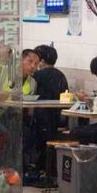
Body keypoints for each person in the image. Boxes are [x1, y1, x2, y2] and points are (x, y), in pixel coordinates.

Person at [28, 45, 68, 182]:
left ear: (42, 61)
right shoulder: (61, 75)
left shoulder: (37, 76)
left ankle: (36, 171)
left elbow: (31, 94)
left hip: (39, 117)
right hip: (56, 117)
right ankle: (47, 171)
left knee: (37, 142)